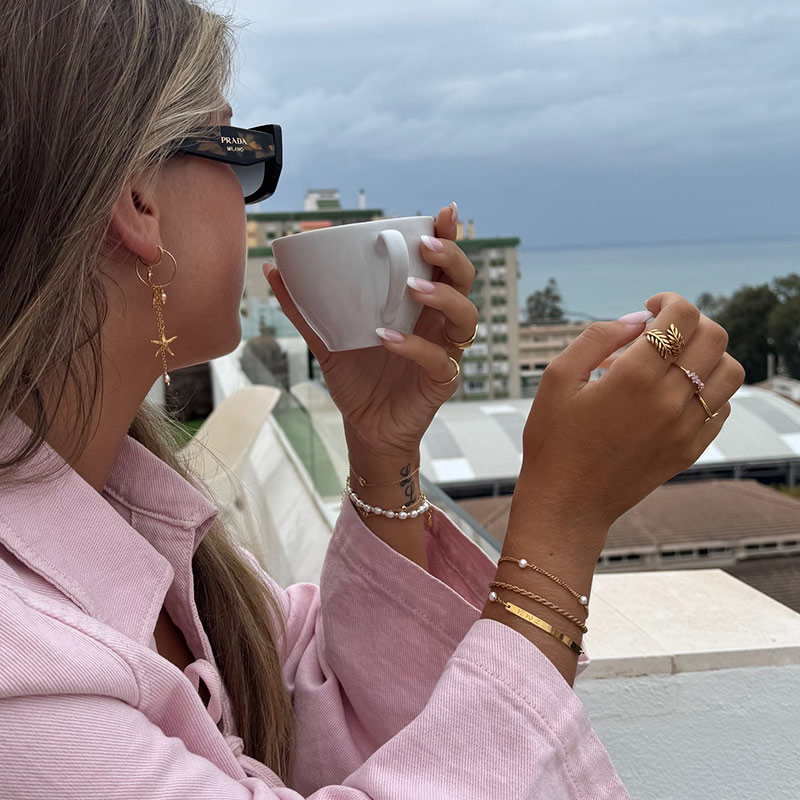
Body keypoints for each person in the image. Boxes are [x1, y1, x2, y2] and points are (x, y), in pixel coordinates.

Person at [0, 1, 745, 798]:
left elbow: (333, 719)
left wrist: (382, 450)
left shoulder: (128, 510)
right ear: (137, 201)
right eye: (239, 151)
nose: (249, 202)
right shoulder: (22, 674)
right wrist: (561, 525)